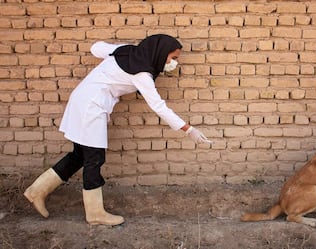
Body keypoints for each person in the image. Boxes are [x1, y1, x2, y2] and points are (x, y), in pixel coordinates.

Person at [24, 34, 212, 226]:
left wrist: (115, 48)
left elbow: (96, 48)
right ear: (160, 53)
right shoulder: (142, 74)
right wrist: (189, 129)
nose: (173, 63)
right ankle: (95, 213)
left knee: (79, 155)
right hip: (92, 107)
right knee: (94, 159)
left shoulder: (125, 51)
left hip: (82, 99)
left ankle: (37, 191)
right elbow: (159, 107)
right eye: (172, 58)